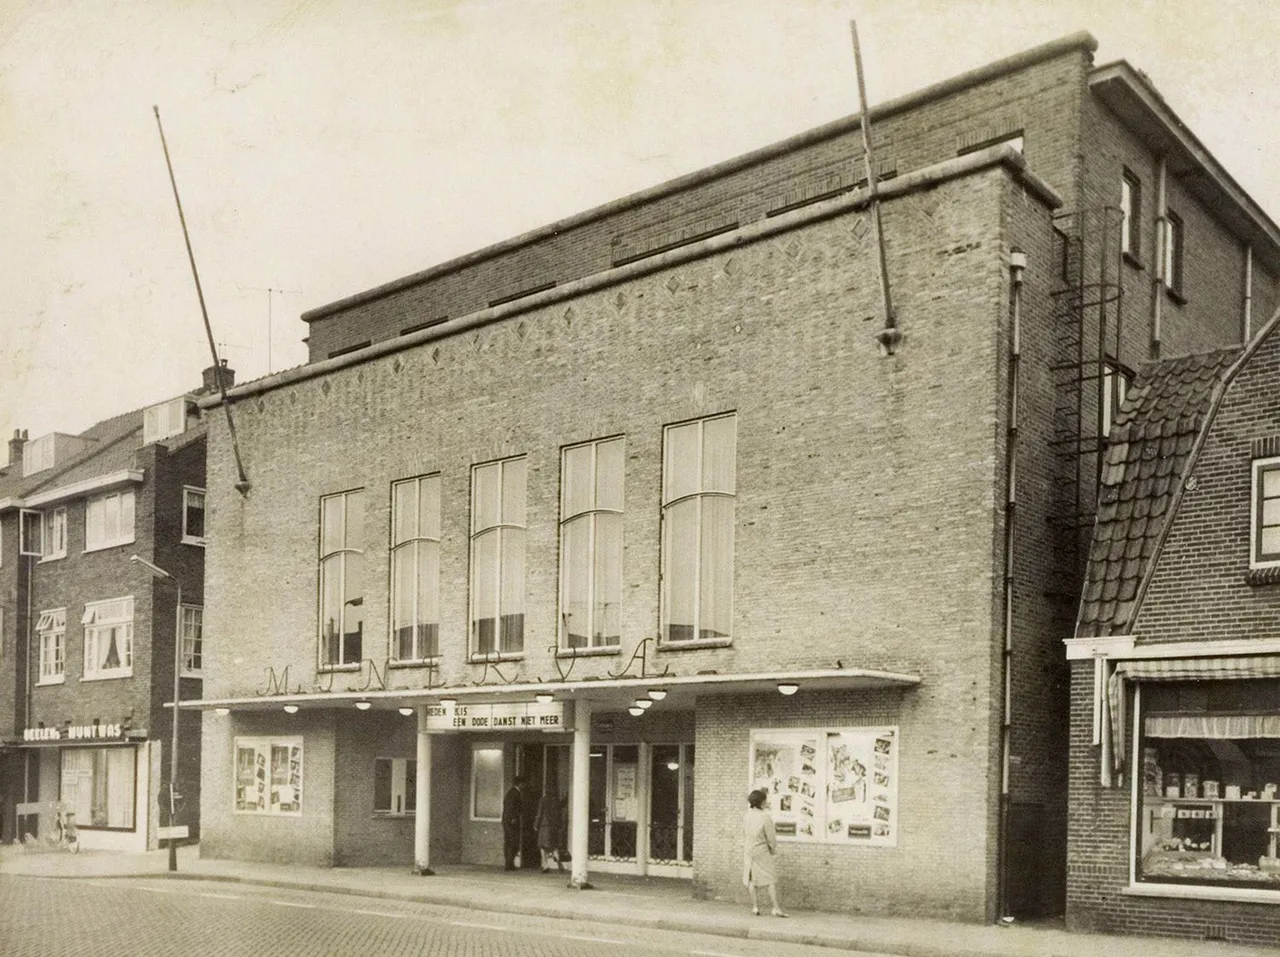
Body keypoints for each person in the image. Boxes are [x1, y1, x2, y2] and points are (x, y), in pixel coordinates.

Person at [742, 788, 788, 917]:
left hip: (749, 851)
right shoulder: (765, 817)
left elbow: (743, 834)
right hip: (762, 851)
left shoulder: (747, 815)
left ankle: (755, 908)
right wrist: (772, 850)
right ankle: (776, 908)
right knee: (771, 879)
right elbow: (771, 838)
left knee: (752, 879)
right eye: (765, 801)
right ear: (762, 802)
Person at [534, 788, 564, 873]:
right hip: (554, 826)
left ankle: (545, 865)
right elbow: (560, 813)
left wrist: (536, 825)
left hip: (545, 826)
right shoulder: (556, 801)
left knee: (542, 846)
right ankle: (559, 863)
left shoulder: (543, 800)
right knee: (554, 846)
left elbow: (539, 813)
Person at [502, 775, 527, 871]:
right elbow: (510, 806)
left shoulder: (511, 792)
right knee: (513, 842)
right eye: (523, 784)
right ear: (520, 784)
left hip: (506, 820)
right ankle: (509, 864)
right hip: (511, 821)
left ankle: (509, 864)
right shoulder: (515, 793)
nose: (524, 786)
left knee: (508, 842)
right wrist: (513, 817)